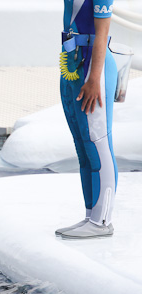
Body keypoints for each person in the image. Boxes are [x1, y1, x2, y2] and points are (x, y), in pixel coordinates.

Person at [56, 0, 118, 239]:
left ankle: (102, 221)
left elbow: (102, 33)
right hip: (73, 62)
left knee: (97, 143)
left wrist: (94, 79)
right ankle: (90, 215)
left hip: (93, 69)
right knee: (83, 146)